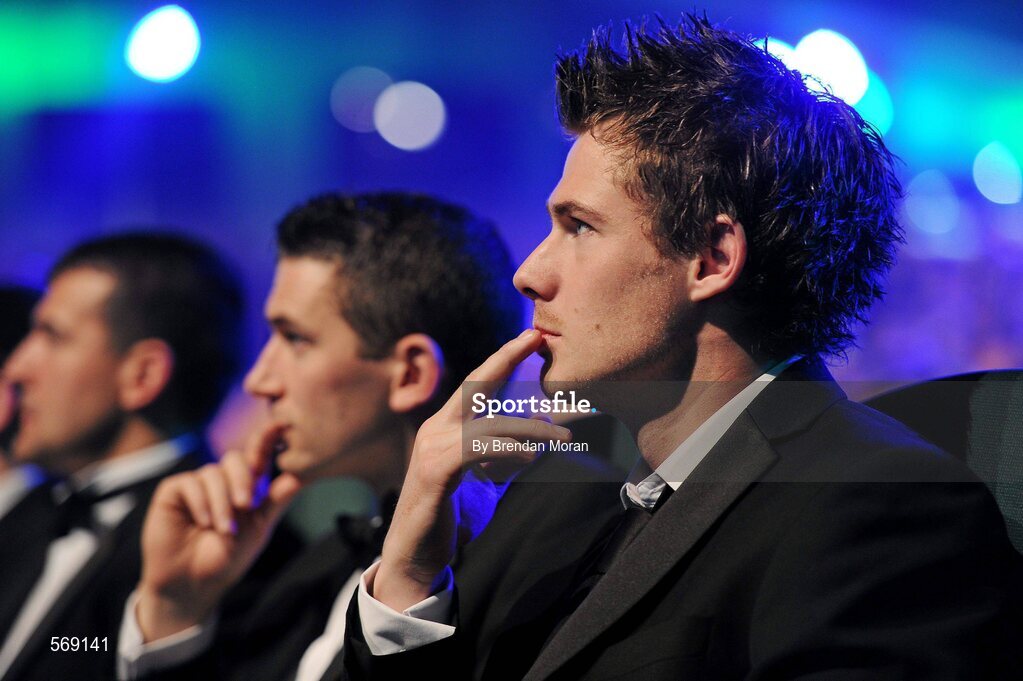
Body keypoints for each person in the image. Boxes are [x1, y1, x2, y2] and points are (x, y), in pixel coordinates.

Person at [338, 14, 1023, 680]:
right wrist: (408, 576)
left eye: (578, 226)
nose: (529, 272)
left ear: (711, 256)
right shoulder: (543, 506)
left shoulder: (881, 506)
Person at [117, 192, 553, 681]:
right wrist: (176, 609)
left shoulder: (550, 553)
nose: (259, 381)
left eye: (295, 338)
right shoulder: (314, 567)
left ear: (410, 373)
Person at [0, 233, 244, 681]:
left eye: (53, 337)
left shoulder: (230, 549)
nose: (16, 368)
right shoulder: (28, 517)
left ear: (143, 374)